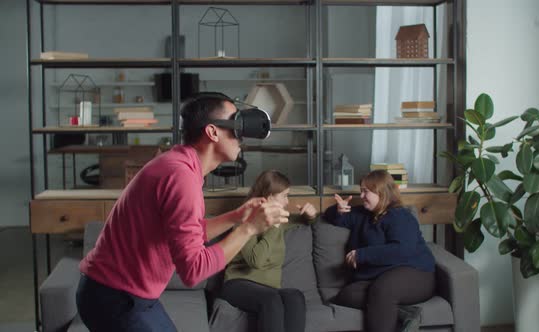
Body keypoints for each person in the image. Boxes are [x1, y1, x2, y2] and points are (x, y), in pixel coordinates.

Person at [76, 92, 289, 331]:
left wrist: (236, 217)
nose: (243, 138)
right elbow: (193, 270)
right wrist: (249, 228)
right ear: (213, 132)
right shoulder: (181, 177)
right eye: (237, 125)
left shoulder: (181, 165)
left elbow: (185, 235)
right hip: (115, 297)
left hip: (123, 294)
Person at [323, 170, 435, 332]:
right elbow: (332, 217)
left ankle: (389, 307)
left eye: (365, 192)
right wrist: (338, 210)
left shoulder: (400, 216)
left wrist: (362, 255)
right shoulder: (363, 213)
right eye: (361, 191)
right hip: (379, 277)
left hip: (415, 274)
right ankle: (405, 314)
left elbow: (403, 250)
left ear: (381, 193)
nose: (361, 196)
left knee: (383, 290)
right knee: (347, 296)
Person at [219, 170, 318, 332]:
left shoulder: (277, 217)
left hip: (268, 288)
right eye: (284, 196)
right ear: (270, 197)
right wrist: (275, 227)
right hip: (237, 284)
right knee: (271, 299)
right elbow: (255, 260)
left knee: (295, 297)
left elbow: (300, 221)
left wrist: (310, 216)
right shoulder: (246, 219)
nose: (287, 202)